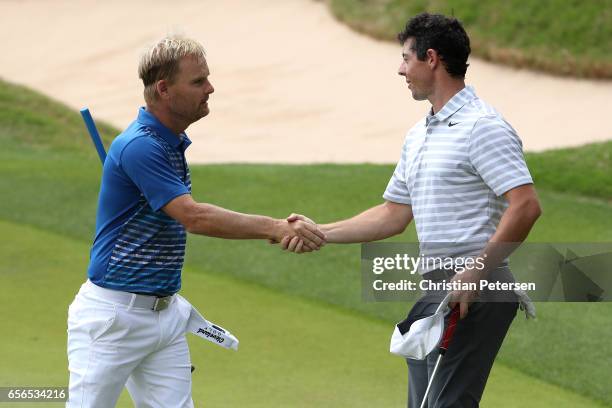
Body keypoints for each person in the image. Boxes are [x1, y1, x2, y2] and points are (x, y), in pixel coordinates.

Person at [282, 13, 541, 408]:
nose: (400, 68)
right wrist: (322, 232)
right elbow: (393, 215)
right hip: (439, 287)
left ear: (431, 58)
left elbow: (526, 205)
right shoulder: (419, 134)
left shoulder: (482, 126)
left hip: (476, 288)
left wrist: (477, 270)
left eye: (406, 57)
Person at [66, 36, 326, 407]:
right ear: (164, 89)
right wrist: (275, 227)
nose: (210, 88)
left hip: (164, 316)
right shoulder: (141, 145)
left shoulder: (168, 142)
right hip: (113, 320)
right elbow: (195, 217)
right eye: (198, 81)